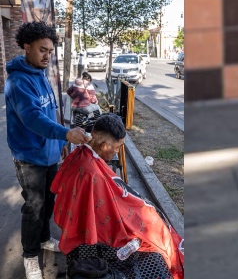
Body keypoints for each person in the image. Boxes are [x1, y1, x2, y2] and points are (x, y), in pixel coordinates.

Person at [5, 21, 91, 279]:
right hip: (29, 157)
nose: (47, 56)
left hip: (50, 153)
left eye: (50, 51)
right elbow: (32, 118)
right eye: (42, 50)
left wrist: (61, 143)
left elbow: (51, 111)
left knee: (49, 201)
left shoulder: (40, 74)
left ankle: (43, 239)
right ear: (27, 46)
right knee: (34, 207)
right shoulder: (18, 81)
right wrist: (65, 134)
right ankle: (30, 256)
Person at [52, 114, 184, 279]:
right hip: (117, 217)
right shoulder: (92, 174)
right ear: (104, 145)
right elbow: (104, 214)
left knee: (152, 214)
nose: (117, 151)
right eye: (117, 147)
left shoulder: (82, 154)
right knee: (156, 229)